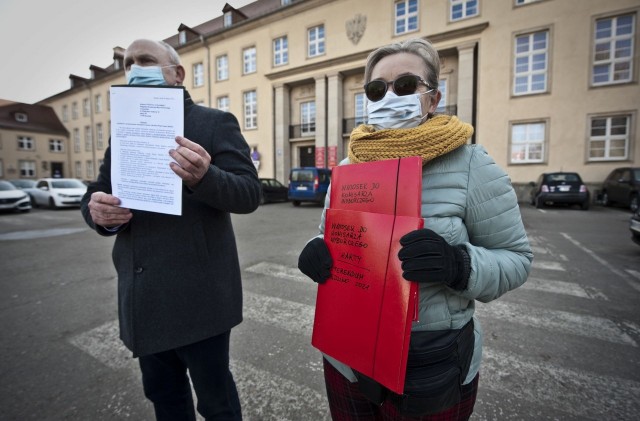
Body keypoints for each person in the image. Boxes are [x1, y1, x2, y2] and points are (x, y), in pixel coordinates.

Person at [298, 38, 533, 420]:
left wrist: (459, 265)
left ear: (433, 98)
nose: (390, 96)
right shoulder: (349, 165)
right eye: (377, 89)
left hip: (430, 362)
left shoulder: (471, 163)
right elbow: (329, 234)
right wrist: (315, 250)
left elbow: (517, 259)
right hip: (347, 355)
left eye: (405, 85)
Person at [80, 39, 261, 421]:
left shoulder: (213, 122)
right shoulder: (124, 130)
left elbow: (248, 193)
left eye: (145, 60)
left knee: (216, 403)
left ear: (177, 74)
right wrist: (96, 212)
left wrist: (205, 176)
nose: (134, 69)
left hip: (199, 297)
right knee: (165, 400)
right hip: (142, 296)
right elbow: (98, 191)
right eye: (128, 63)